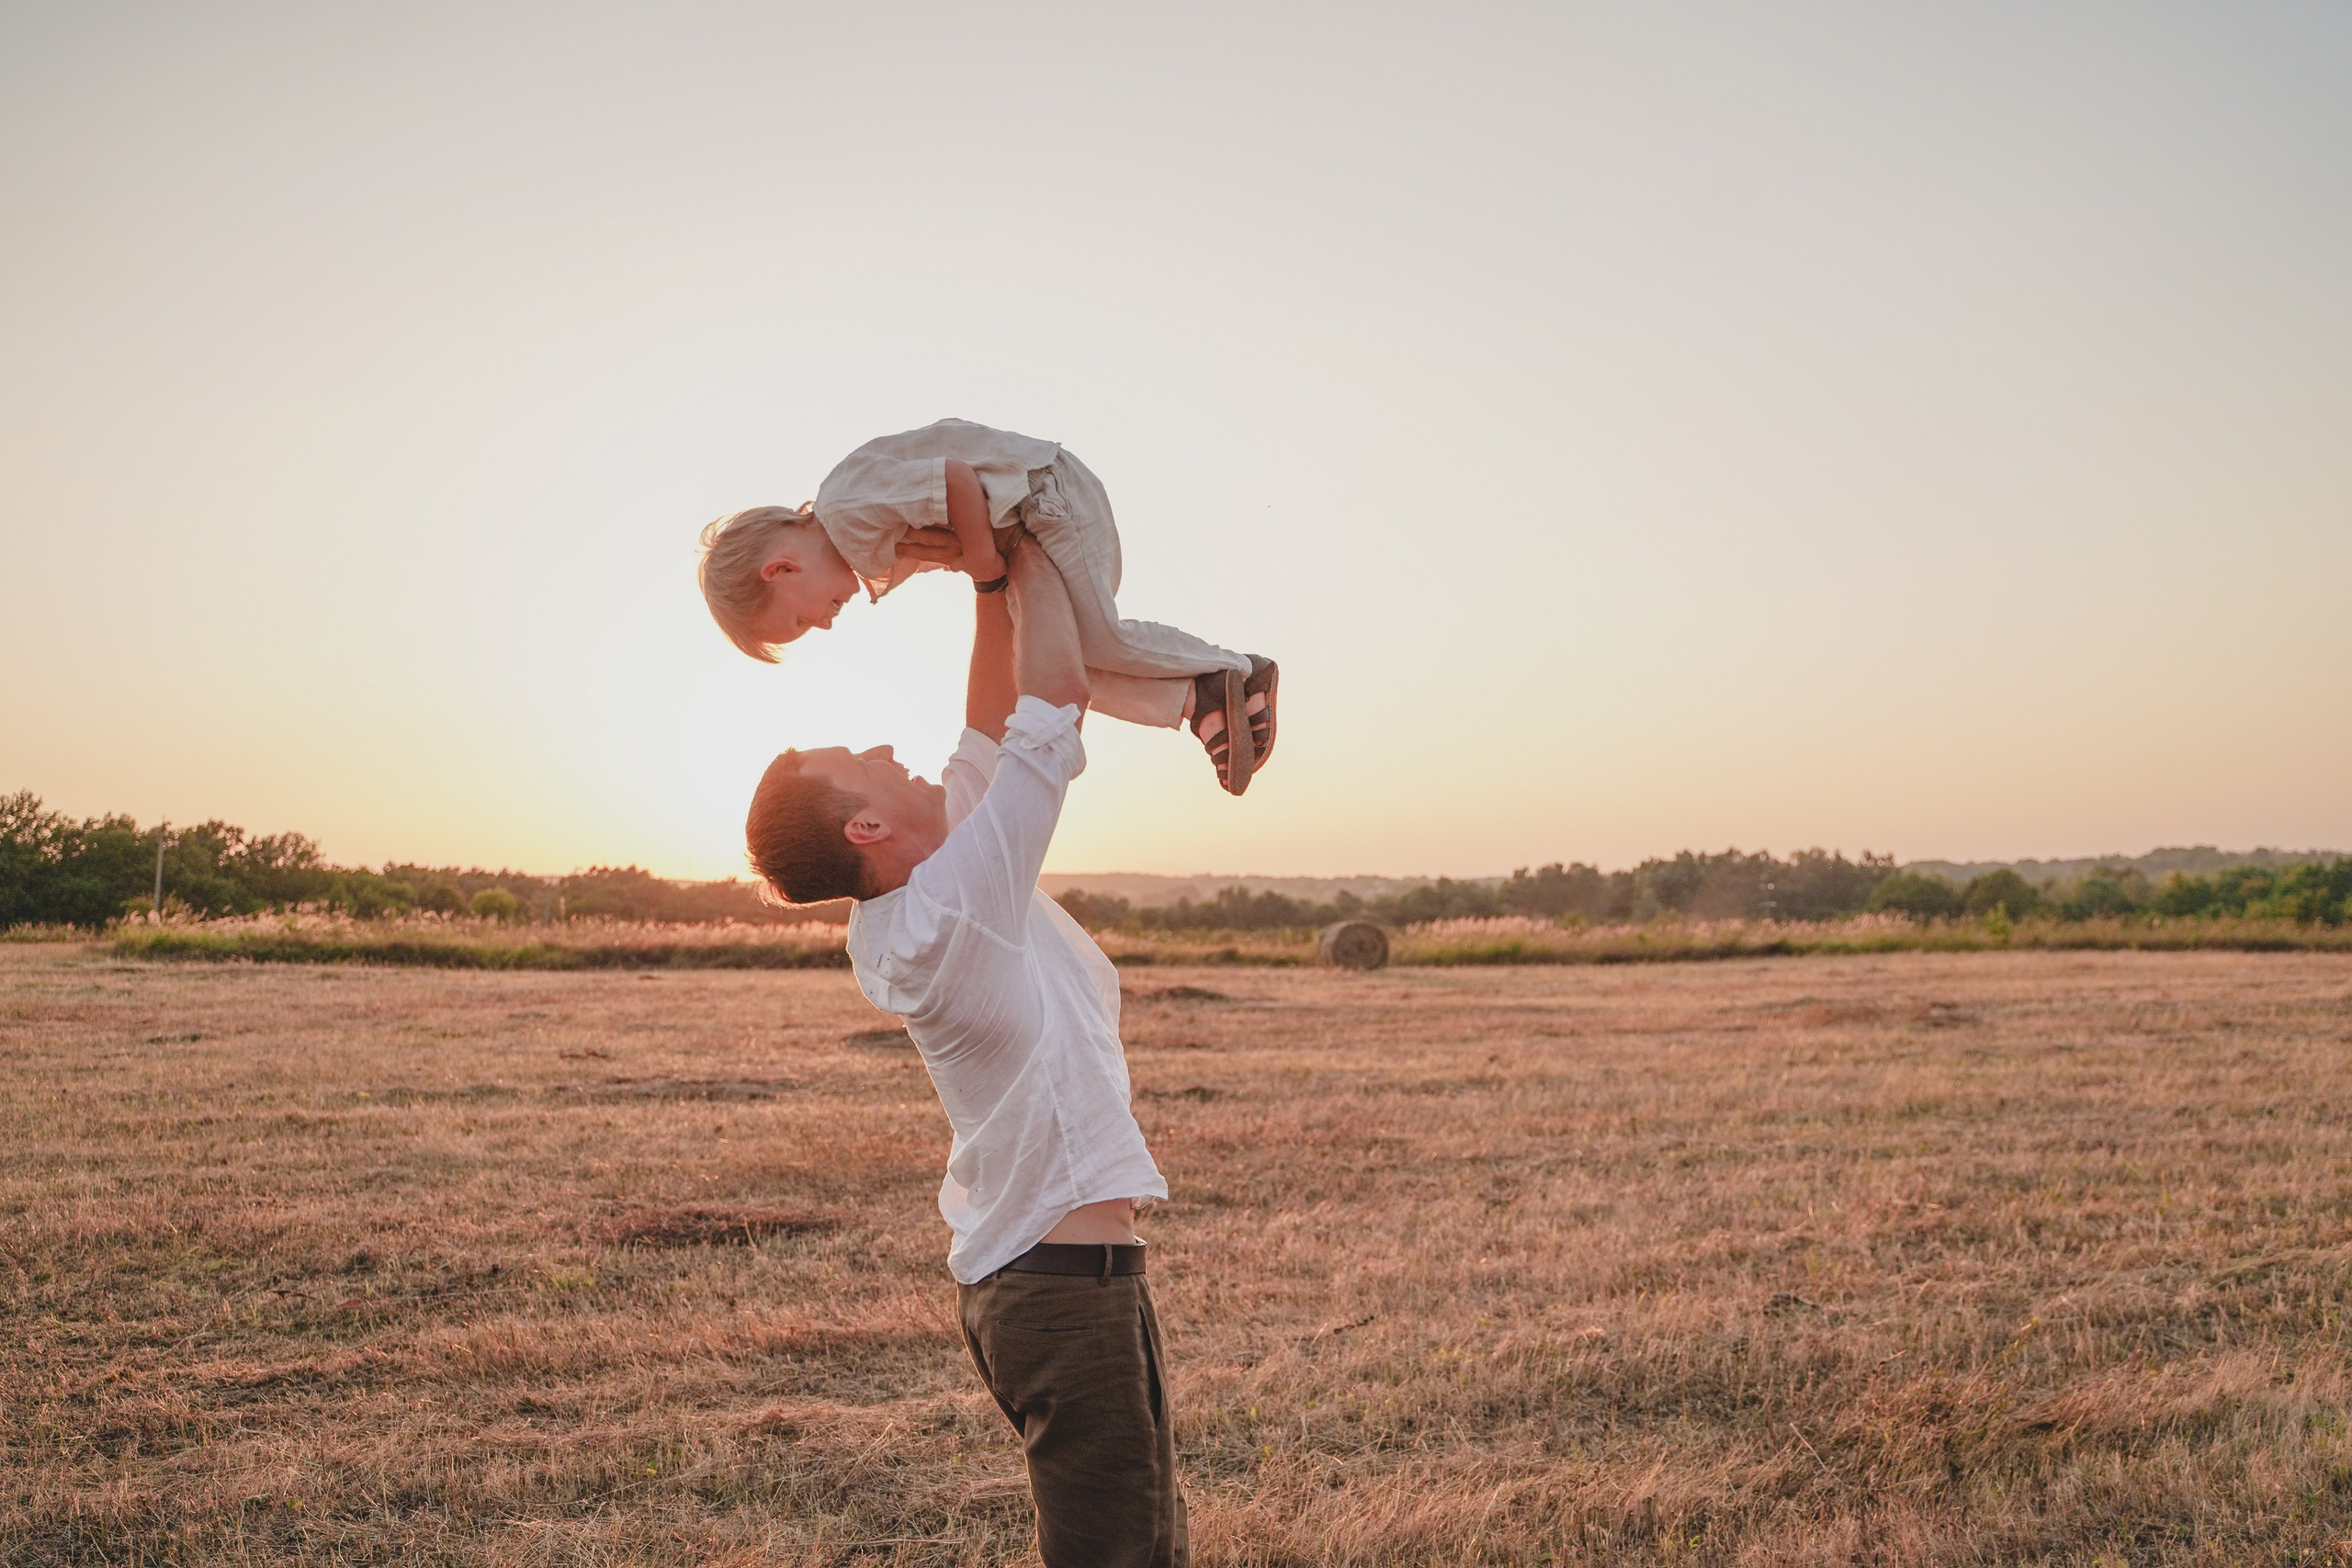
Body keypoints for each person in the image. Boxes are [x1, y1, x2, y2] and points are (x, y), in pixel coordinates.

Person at [741, 536, 1187, 1565]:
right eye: (865, 764)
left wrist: (989, 586)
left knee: (1144, 1551)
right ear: (863, 826)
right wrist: (1024, 536)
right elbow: (1049, 702)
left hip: (1062, 1277)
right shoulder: (954, 908)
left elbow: (985, 724)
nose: (893, 755)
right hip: (1063, 1284)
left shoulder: (929, 893)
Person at [700, 417, 1278, 795]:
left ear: (781, 568)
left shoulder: (846, 510)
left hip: (1044, 496)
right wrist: (977, 557)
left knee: (1098, 638)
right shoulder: (854, 537)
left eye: (801, 619)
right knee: (1052, 662)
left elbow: (957, 480)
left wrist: (980, 562)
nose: (824, 623)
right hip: (1024, 522)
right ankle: (1197, 701)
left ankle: (1238, 669)